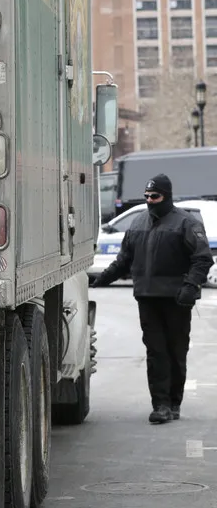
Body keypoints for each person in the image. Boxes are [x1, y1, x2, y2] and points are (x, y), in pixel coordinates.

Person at [91, 173, 214, 424]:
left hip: (177, 299)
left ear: (166, 197)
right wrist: (101, 279)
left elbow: (202, 259)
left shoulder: (186, 223)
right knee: (155, 352)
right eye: (146, 196)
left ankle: (174, 401)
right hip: (147, 298)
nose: (149, 200)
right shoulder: (138, 223)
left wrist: (190, 286)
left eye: (154, 196)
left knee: (176, 351)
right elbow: (124, 260)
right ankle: (161, 405)